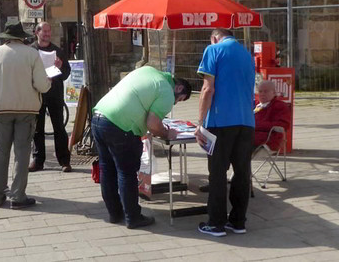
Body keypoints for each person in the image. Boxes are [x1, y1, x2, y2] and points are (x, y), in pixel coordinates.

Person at [91, 66, 192, 229]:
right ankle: (133, 217)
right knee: (127, 172)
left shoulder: (148, 71)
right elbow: (153, 124)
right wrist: (167, 134)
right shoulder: (167, 91)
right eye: (179, 99)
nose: (175, 103)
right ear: (178, 88)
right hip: (120, 126)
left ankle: (114, 213)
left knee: (107, 168)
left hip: (99, 117)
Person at [0, 21, 51, 209]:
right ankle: (18, 196)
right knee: (22, 153)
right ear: (22, 38)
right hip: (26, 110)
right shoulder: (31, 54)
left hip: (1, 110)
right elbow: (42, 86)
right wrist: (48, 82)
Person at [195, 28, 256, 237]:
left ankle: (216, 222)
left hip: (221, 121)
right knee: (241, 173)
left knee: (218, 173)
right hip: (246, 121)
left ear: (214, 37)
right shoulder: (247, 55)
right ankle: (238, 221)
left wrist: (200, 122)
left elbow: (207, 88)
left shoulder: (213, 50)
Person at [29, 22, 72, 173]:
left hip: (54, 94)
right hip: (37, 94)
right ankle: (38, 160)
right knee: (37, 129)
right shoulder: (31, 50)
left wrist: (60, 67)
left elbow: (66, 73)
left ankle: (64, 160)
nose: (47, 34)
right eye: (44, 31)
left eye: (49, 31)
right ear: (37, 33)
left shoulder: (57, 50)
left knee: (59, 128)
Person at [253, 80, 291, 151]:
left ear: (274, 92)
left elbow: (283, 125)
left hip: (269, 139)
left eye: (266, 91)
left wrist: (257, 125)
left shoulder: (280, 106)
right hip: (252, 135)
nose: (262, 94)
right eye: (260, 91)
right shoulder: (255, 104)